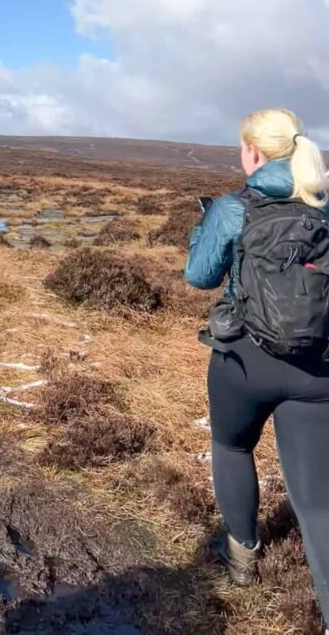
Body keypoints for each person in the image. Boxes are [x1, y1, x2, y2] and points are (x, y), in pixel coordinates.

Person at [185, 108, 329, 627]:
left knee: (232, 445)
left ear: (252, 152)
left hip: (243, 360)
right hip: (318, 368)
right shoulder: (325, 206)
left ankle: (243, 558)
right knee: (318, 500)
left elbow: (199, 276)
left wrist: (202, 228)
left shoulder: (233, 207)